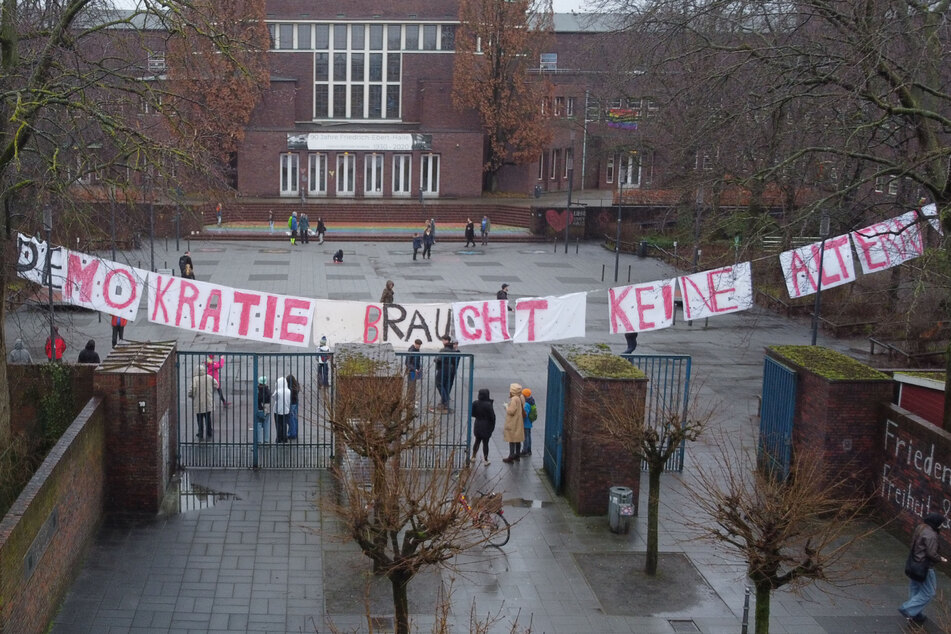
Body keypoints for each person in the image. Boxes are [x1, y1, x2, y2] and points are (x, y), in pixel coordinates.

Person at [900, 512, 948, 625]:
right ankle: (907, 609)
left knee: (915, 589)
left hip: (914, 563)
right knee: (929, 592)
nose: (942, 526)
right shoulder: (931, 534)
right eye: (941, 524)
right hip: (924, 567)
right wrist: (941, 559)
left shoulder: (920, 528)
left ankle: (915, 614)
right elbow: (931, 553)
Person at [188, 364, 217, 441]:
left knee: (199, 418)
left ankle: (200, 433)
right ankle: (209, 432)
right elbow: (216, 384)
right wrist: (211, 391)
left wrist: (191, 395)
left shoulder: (195, 379)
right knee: (208, 418)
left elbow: (192, 389)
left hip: (199, 402)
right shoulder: (209, 377)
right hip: (208, 401)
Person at [431, 335, 459, 413]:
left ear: (446, 341)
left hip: (444, 368)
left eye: (443, 340)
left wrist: (435, 359)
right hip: (451, 369)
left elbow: (439, 359)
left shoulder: (445, 350)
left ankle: (445, 400)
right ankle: (444, 401)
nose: (442, 342)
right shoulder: (453, 349)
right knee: (445, 385)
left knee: (439, 383)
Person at [471, 388, 496, 465]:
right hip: (486, 426)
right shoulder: (488, 405)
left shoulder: (475, 403)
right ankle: (485, 459)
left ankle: (473, 456)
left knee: (477, 441)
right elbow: (492, 417)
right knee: (485, 443)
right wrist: (492, 427)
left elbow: (472, 413)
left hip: (477, 424)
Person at [502, 383, 526, 463]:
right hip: (519, 421)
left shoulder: (514, 399)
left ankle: (511, 456)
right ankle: (517, 455)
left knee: (511, 438)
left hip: (513, 422)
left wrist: (506, 406)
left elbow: (511, 411)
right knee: (517, 439)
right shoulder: (521, 397)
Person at [272, 376, 291, 443]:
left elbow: (274, 398)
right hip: (286, 410)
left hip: (277, 410)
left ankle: (279, 438)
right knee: (284, 424)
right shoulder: (288, 391)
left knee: (278, 424)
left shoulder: (278, 391)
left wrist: (275, 388)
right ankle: (284, 437)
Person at [405, 338, 423, 403]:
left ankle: (411, 400)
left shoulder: (417, 350)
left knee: (413, 385)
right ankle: (410, 401)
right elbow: (407, 363)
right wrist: (414, 368)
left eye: (420, 345)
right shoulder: (411, 350)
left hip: (414, 370)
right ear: (415, 344)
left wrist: (419, 367)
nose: (419, 346)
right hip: (411, 371)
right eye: (418, 345)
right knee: (411, 386)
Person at [521, 388, 537, 456]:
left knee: (526, 437)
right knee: (529, 436)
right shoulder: (532, 401)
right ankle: (529, 450)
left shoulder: (526, 404)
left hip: (526, 423)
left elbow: (525, 414)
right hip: (529, 422)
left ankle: (525, 451)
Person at [255, 376, 271, 444]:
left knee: (259, 424)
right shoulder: (268, 391)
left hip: (259, 409)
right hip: (267, 409)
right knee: (266, 424)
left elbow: (258, 399)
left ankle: (259, 440)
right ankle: (266, 440)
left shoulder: (258, 391)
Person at [286, 373, 301, 440]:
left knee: (290, 419)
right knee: (295, 418)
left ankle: (292, 433)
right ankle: (295, 432)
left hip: (291, 403)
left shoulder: (289, 388)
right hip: (295, 403)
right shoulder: (296, 386)